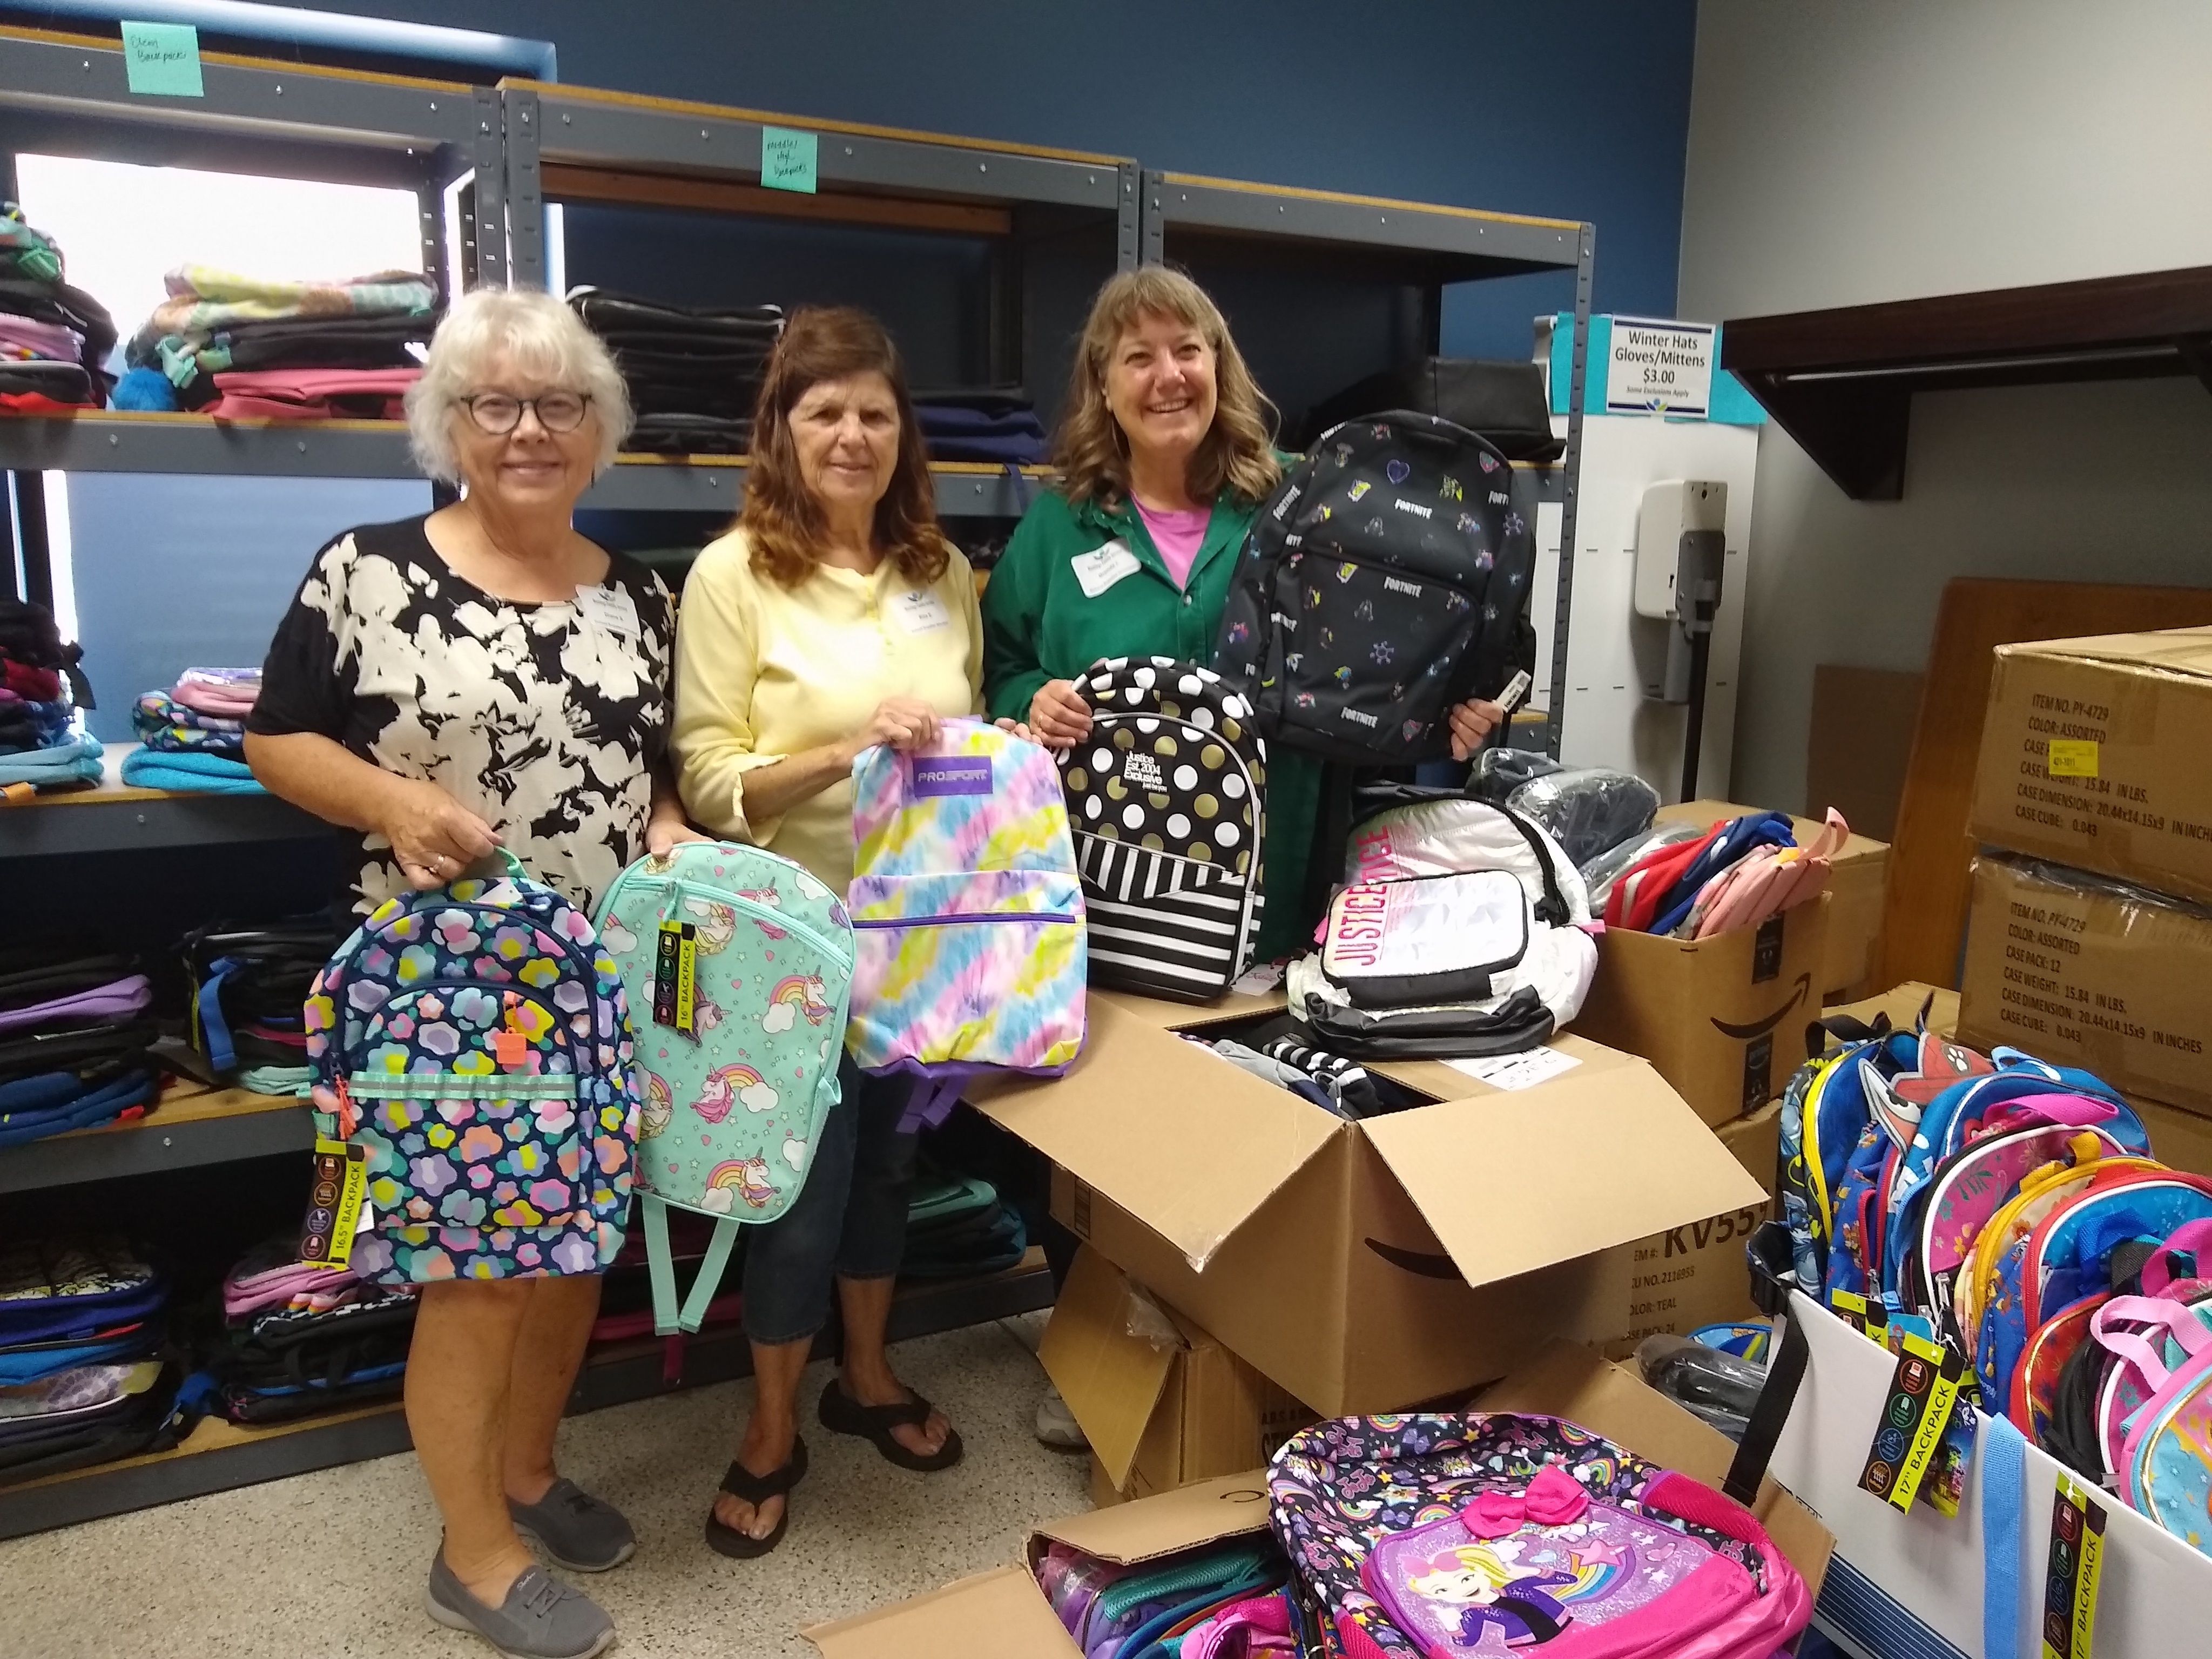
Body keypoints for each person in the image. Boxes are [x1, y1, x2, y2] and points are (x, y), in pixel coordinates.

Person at [979, 267, 1505, 1446]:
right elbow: (999, 664)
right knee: (1104, 1123)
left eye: (1189, 350)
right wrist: (1037, 698)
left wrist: (1451, 720)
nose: (1168, 376)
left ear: (1220, 370)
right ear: (1102, 390)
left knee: (1245, 1109)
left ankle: (1234, 1338)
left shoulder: (1295, 508)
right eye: (1138, 358)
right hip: (1107, 891)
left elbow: (1375, 673)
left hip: (1271, 880)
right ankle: (1108, 1344)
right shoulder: (1061, 526)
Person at [246, 286, 697, 1659]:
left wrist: (670, 829)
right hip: (446, 987)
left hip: (597, 980)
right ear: (448, 421)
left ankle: (524, 1473)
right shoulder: (363, 569)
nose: (527, 429)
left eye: (559, 403)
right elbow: (277, 740)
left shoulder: (639, 593)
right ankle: (474, 1556)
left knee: (570, 1255)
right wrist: (388, 802)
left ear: (598, 427)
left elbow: (655, 778)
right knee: (478, 1272)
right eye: (494, 403)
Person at [671, 306, 987, 1559]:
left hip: (919, 939)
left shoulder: (939, 572)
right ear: (783, 431)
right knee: (793, 1197)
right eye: (823, 413)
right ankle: (766, 1430)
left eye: (872, 411)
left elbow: (968, 740)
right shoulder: (733, 571)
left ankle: (864, 1380)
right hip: (785, 945)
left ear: (900, 431)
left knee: (892, 1175)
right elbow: (705, 780)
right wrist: (840, 754)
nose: (850, 435)